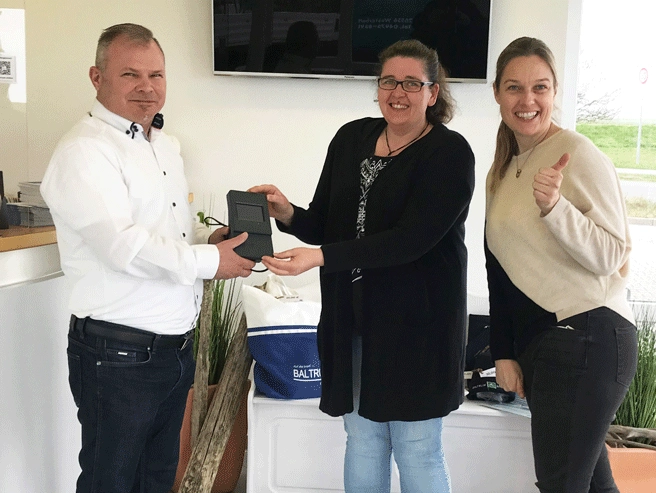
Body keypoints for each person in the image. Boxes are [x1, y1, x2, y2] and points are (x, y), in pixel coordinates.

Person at [250, 39, 475, 493]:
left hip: (419, 326)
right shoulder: (351, 138)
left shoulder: (450, 153)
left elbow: (411, 241)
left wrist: (323, 257)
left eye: (412, 83)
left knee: (417, 447)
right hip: (352, 320)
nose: (398, 92)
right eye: (389, 81)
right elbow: (325, 222)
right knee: (363, 440)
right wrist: (287, 212)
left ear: (433, 92)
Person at [40, 23, 255, 493]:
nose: (147, 87)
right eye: (130, 74)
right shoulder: (84, 151)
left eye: (156, 75)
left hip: (174, 349)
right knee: (110, 483)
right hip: (118, 354)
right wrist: (209, 261)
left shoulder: (165, 146)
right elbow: (123, 247)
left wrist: (208, 239)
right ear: (97, 77)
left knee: (156, 480)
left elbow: (163, 233)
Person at [485, 36, 638, 493]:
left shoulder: (577, 152)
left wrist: (556, 208)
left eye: (540, 87)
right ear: (497, 94)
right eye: (514, 87)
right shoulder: (503, 168)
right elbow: (499, 270)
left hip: (588, 335)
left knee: (562, 485)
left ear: (555, 92)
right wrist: (503, 351)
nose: (527, 100)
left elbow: (613, 255)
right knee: (591, 486)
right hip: (549, 343)